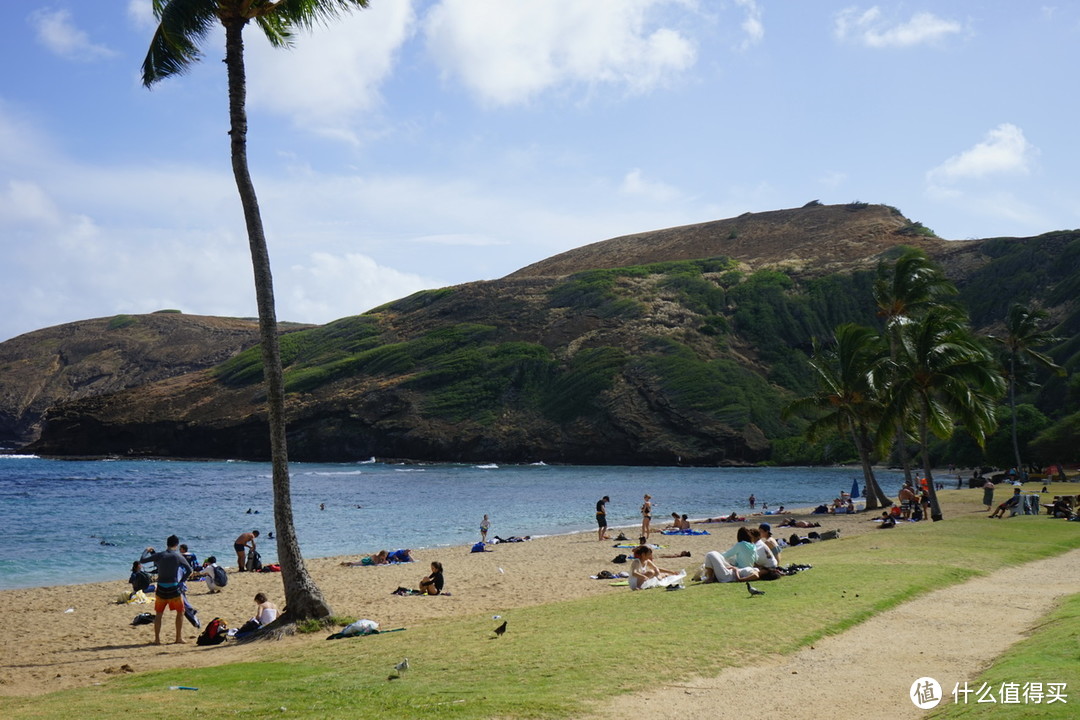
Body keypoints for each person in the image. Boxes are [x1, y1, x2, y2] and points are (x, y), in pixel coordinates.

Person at [140, 535, 192, 645]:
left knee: (159, 614)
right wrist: (181, 581)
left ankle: (157, 640)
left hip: (161, 588)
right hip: (174, 587)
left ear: (167, 544)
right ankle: (178, 638)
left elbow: (142, 560)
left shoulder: (160, 555)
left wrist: (146, 550)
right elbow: (189, 570)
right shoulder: (178, 556)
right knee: (180, 611)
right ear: (177, 545)